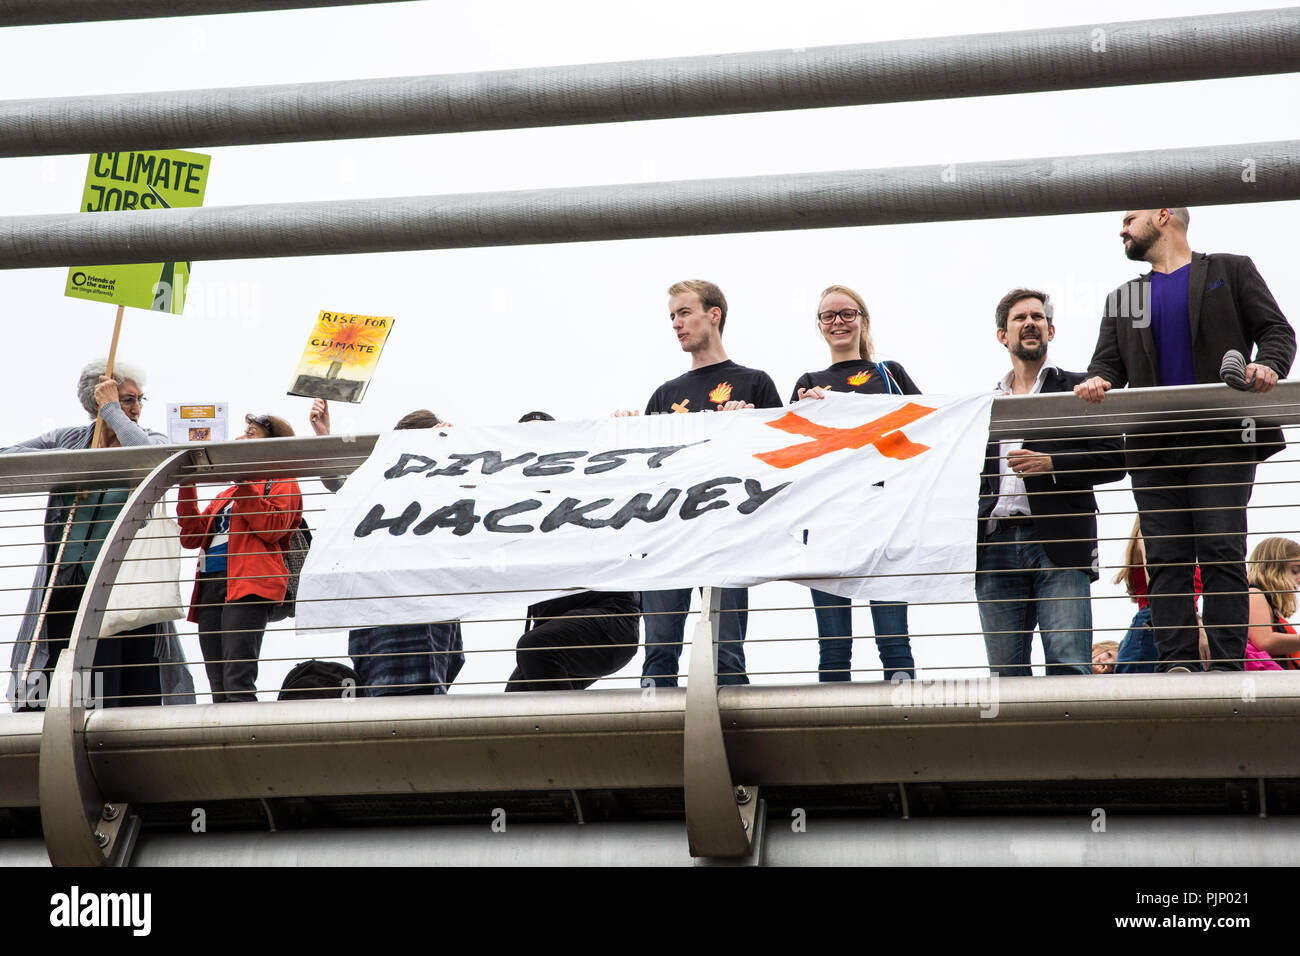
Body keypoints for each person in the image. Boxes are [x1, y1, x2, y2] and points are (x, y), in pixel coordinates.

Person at [1076, 207, 1295, 672]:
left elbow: (1276, 331)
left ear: (1163, 215)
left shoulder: (1230, 269)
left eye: (1129, 218)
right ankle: (1176, 664)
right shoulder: (1124, 297)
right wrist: (1096, 381)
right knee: (1166, 558)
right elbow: (1107, 364)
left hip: (1221, 439)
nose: (1121, 229)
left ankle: (1227, 666)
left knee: (1220, 549)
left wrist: (1268, 365)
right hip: (1154, 445)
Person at [614, 279, 783, 687]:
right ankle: (653, 736)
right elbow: (647, 473)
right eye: (672, 316)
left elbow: (782, 461)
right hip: (667, 538)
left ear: (714, 315)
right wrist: (626, 437)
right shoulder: (665, 393)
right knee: (658, 652)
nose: (676, 323)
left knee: (726, 653)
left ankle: (734, 737)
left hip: (727, 535)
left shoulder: (754, 383)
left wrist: (749, 427)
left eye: (684, 312)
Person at [5, 359, 194, 711]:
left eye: (140, 400)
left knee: (115, 693)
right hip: (65, 589)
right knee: (59, 690)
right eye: (127, 400)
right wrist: (73, 465)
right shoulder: (70, 439)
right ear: (96, 400)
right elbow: (7, 457)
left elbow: (150, 456)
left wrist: (113, 411)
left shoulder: (148, 438)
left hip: (121, 593)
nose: (137, 408)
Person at [978, 289, 1125, 677]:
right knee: (1005, 676)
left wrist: (1053, 464)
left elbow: (1115, 457)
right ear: (1002, 336)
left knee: (1069, 664)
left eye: (1037, 317)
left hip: (1059, 541)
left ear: (1051, 330)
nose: (1030, 323)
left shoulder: (1081, 388)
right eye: (1020, 318)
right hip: (994, 546)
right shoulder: (984, 403)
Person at [788, 283, 918, 681]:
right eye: (829, 315)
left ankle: (908, 729)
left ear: (863, 321)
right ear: (820, 326)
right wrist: (803, 411)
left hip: (884, 519)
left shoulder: (889, 374)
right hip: (829, 524)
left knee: (894, 640)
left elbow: (926, 428)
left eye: (847, 313)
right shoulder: (809, 380)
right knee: (833, 646)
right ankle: (832, 739)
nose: (838, 322)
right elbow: (791, 453)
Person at [310, 400, 466, 696]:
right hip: (386, 595)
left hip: (425, 592)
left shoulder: (443, 479)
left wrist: (449, 450)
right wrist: (324, 435)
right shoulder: (381, 480)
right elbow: (341, 483)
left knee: (426, 673)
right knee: (389, 679)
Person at [505, 410, 641, 691]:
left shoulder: (584, 484)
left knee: (534, 648)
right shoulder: (513, 503)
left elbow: (632, 481)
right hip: (555, 631)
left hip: (608, 616)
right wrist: (441, 440)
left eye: (543, 435)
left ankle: (567, 733)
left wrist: (625, 433)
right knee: (513, 699)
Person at [178, 413, 304, 702]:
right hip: (212, 583)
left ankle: (247, 743)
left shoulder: (282, 480)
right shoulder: (229, 492)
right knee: (217, 682)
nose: (242, 438)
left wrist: (244, 482)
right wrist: (187, 484)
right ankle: (225, 742)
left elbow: (272, 529)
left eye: (252, 434)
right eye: (244, 432)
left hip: (249, 583)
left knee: (237, 679)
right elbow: (192, 536)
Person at [1112, 516, 1206, 673]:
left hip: (1179, 623)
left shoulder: (1180, 543)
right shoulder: (1147, 533)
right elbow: (1158, 586)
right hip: (1155, 622)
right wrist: (1199, 625)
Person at [1245, 537, 1300, 671]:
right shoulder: (1255, 594)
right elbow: (1264, 641)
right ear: (1272, 567)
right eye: (1295, 570)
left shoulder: (1269, 605)